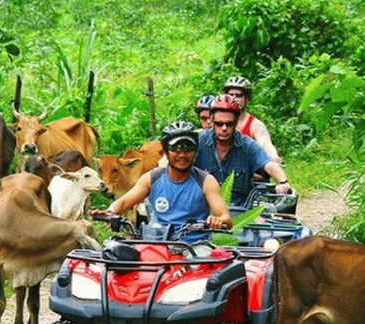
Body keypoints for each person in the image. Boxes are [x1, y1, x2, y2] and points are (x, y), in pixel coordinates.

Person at [95, 121, 232, 243]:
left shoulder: (206, 181)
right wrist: (109, 212)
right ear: (165, 152)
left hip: (195, 247)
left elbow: (225, 217)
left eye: (188, 149)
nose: (182, 154)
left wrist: (218, 220)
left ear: (195, 152)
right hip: (158, 244)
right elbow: (123, 203)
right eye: (175, 149)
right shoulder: (152, 178)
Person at [195, 95, 291, 207]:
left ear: (236, 122)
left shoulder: (247, 145)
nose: (224, 128)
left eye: (229, 124)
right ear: (212, 120)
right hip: (202, 211)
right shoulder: (198, 141)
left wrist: (283, 182)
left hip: (239, 212)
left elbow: (268, 164)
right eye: (219, 124)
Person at [222, 76, 282, 163]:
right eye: (230, 95)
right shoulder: (217, 121)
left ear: (246, 99)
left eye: (238, 96)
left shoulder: (255, 125)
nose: (233, 99)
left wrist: (273, 156)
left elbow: (264, 142)